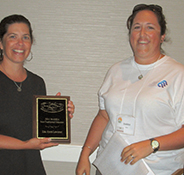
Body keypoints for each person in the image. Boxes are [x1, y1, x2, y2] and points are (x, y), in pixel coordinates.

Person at [76, 4, 184, 175]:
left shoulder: (177, 74)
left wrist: (151, 145)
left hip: (157, 170)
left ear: (162, 35)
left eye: (150, 27)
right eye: (137, 27)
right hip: (111, 167)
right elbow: (104, 116)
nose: (142, 34)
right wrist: (85, 152)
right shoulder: (116, 70)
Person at [0, 14, 75, 175]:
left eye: (25, 37)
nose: (20, 43)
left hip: (31, 167)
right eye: (13, 36)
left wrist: (61, 115)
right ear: (0, 42)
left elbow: (37, 130)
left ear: (31, 43)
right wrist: (24, 144)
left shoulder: (37, 83)